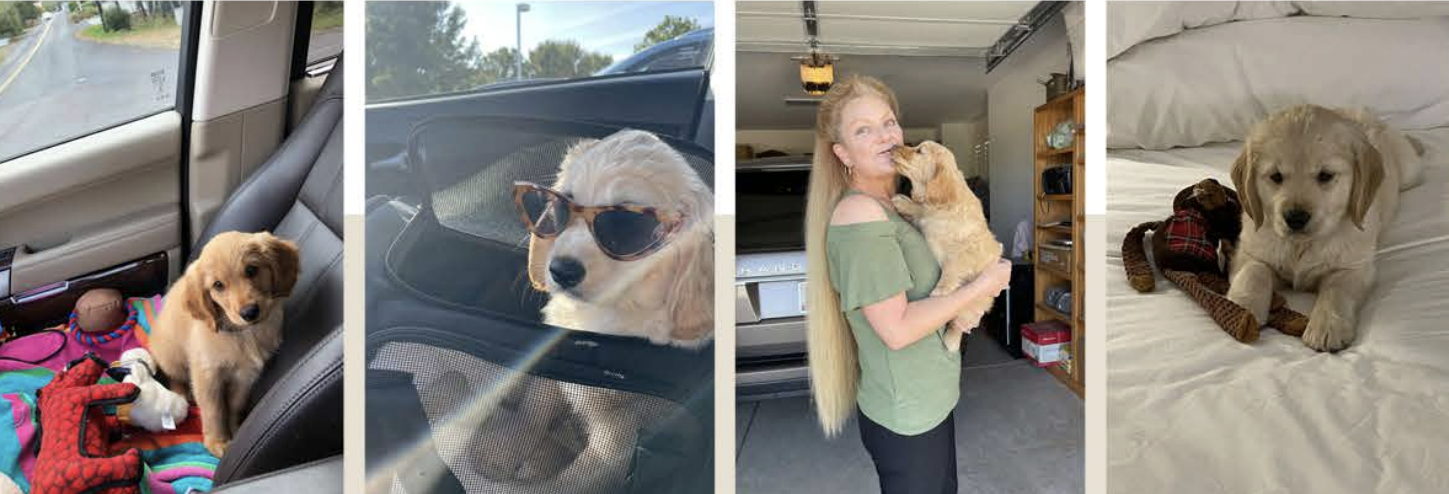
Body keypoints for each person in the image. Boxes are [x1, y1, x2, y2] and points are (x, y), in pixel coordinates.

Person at [804, 75, 1012, 494]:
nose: (885, 137)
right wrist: (980, 286)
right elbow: (895, 329)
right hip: (908, 418)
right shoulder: (861, 216)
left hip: (931, 401)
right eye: (864, 130)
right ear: (842, 152)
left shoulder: (894, 208)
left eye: (889, 122)